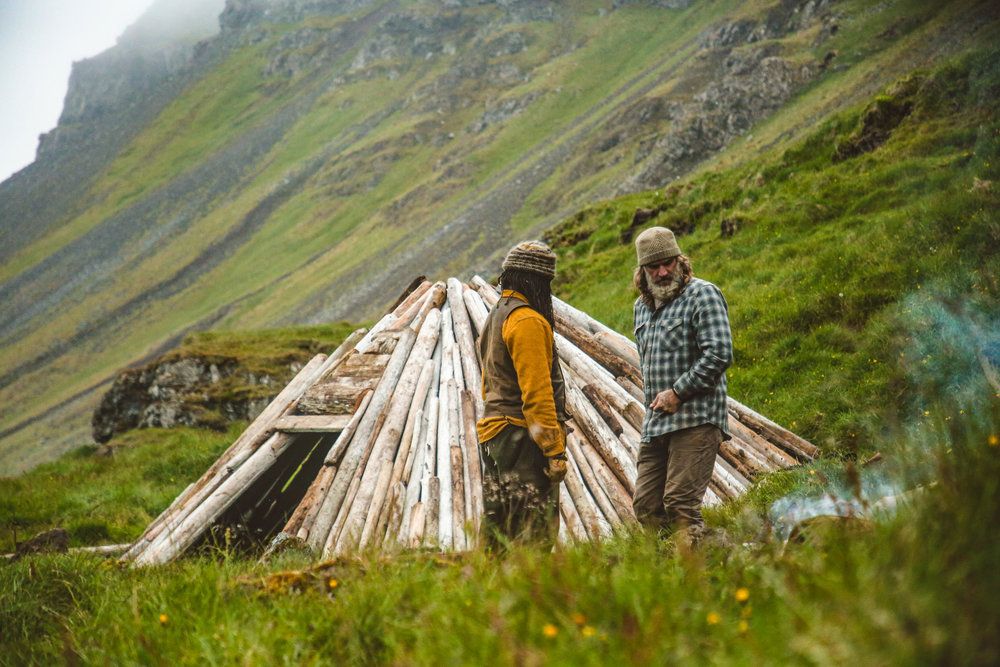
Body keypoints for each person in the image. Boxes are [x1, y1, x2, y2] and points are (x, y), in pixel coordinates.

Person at [630, 226, 733, 538]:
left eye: (668, 263)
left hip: (696, 417)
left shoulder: (703, 295)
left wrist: (678, 392)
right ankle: (674, 569)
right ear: (642, 271)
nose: (662, 272)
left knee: (680, 504)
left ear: (680, 260)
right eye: (653, 267)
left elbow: (719, 353)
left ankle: (710, 568)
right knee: (647, 507)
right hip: (657, 423)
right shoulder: (641, 308)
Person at [476, 240, 568, 549]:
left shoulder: (496, 317)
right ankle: (529, 593)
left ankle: (486, 592)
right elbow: (537, 394)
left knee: (498, 532)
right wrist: (554, 451)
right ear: (535, 281)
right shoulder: (526, 320)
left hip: (494, 436)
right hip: (520, 439)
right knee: (533, 532)